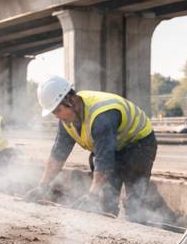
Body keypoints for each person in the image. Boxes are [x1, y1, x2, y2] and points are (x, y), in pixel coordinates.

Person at [27, 76, 175, 222]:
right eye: (53, 112)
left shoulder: (102, 116)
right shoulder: (67, 120)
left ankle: (148, 225)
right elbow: (58, 154)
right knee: (105, 200)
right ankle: (109, 234)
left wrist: (91, 195)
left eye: (57, 110)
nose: (56, 116)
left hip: (139, 144)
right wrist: (42, 186)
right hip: (114, 145)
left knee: (134, 201)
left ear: (70, 100)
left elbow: (104, 162)